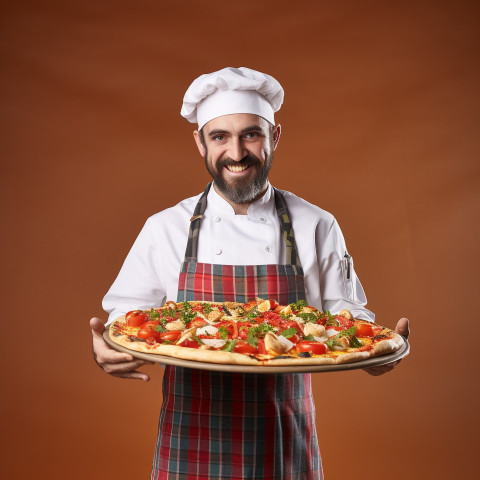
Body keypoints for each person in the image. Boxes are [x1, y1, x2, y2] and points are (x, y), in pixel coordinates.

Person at [91, 67, 410, 480]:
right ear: (200, 142)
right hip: (191, 436)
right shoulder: (165, 227)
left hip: (283, 435)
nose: (237, 152)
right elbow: (127, 319)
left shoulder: (316, 223)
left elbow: (349, 323)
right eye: (220, 136)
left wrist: (378, 354)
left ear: (274, 136)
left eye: (251, 134)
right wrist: (108, 348)